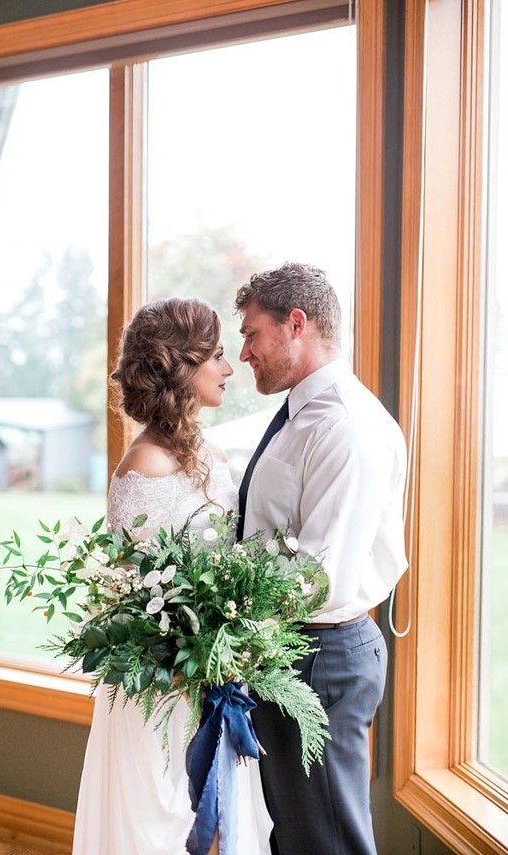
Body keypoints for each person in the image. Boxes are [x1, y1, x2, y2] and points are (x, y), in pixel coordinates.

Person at [72, 296, 272, 855]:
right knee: (167, 825)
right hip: (163, 688)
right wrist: (197, 654)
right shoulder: (143, 468)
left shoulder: (210, 450)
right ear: (183, 368)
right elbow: (139, 597)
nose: (229, 369)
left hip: (214, 672)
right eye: (217, 357)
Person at [234, 262, 408, 855]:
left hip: (321, 658)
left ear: (296, 324)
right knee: (297, 833)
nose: (245, 351)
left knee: (325, 842)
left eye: (253, 333)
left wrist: (224, 616)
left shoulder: (345, 428)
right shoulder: (300, 418)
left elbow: (317, 577)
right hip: (292, 650)